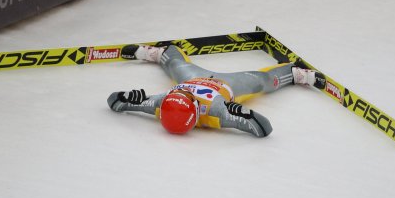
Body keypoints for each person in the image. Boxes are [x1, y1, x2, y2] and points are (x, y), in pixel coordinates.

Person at [107, 44, 326, 137]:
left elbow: (117, 101)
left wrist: (127, 98)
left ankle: (156, 53)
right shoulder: (215, 112)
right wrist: (242, 114)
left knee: (175, 64)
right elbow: (263, 129)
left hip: (192, 76)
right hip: (227, 85)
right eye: (188, 96)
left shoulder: (161, 104)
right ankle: (297, 75)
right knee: (261, 80)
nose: (186, 93)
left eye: (179, 93)